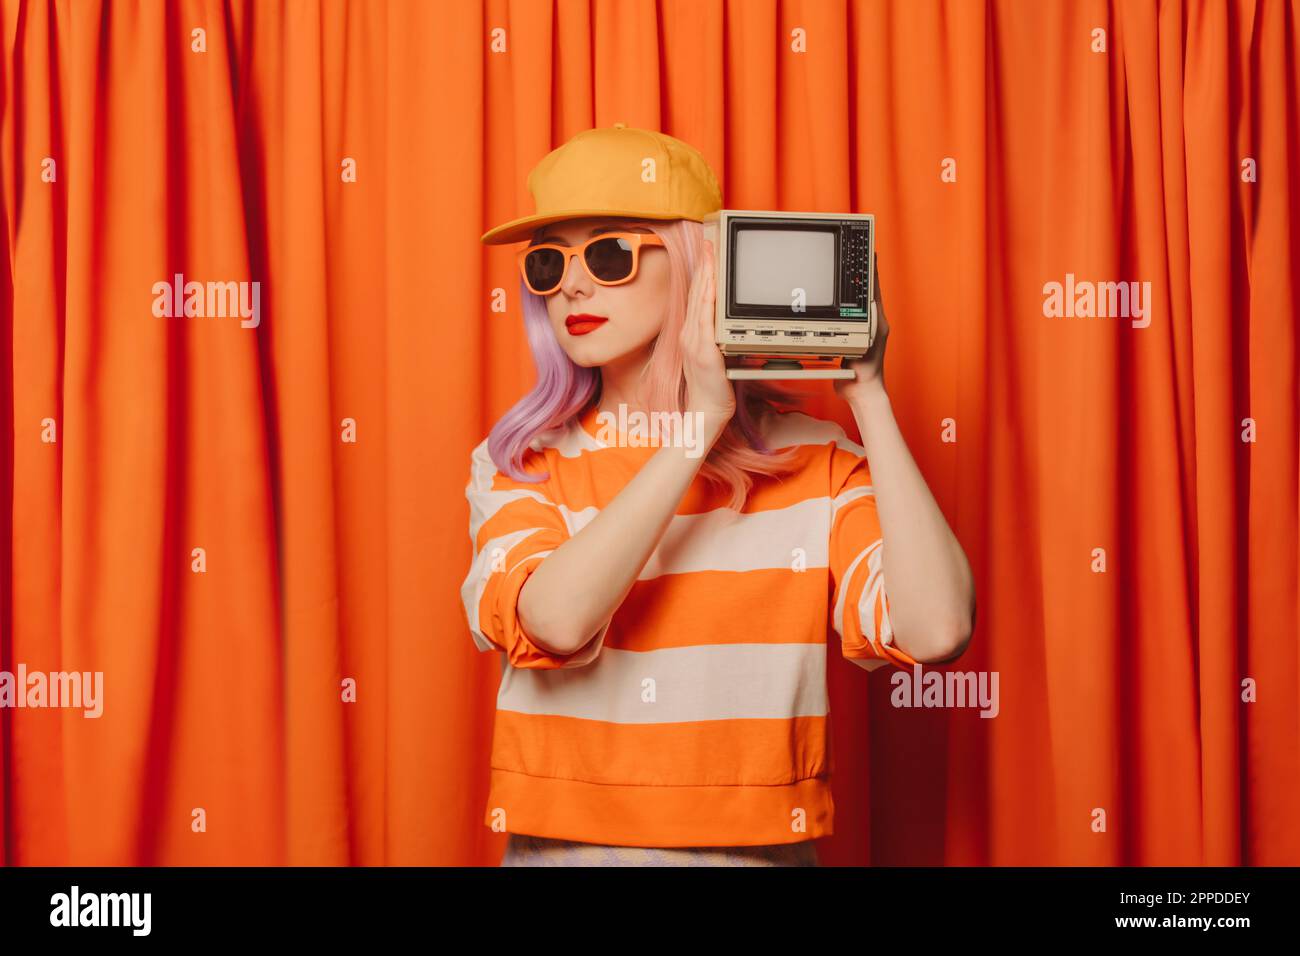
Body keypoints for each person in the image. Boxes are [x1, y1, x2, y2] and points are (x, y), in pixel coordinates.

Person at [463, 123, 975, 866]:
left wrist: (869, 394)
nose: (571, 284)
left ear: (702, 269)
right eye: (549, 263)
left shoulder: (816, 462)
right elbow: (557, 622)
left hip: (759, 852)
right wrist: (697, 428)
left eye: (609, 254)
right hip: (568, 850)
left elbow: (936, 632)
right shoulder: (523, 460)